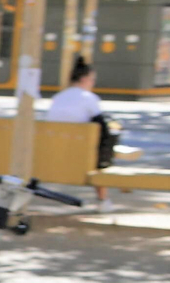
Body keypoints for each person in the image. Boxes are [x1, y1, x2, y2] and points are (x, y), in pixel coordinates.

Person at [46, 58, 120, 211]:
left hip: (52, 152)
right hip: (80, 156)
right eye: (92, 79)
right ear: (85, 79)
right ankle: (102, 199)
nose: (93, 83)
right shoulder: (88, 98)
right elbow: (103, 126)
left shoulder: (58, 98)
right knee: (100, 151)